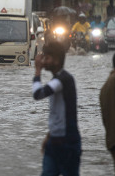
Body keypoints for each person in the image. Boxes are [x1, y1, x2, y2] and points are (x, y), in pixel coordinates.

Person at [32, 41, 82, 175]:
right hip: (54, 142)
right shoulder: (58, 80)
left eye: (46, 58)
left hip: (68, 143)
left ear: (57, 60)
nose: (43, 61)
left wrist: (37, 71)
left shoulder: (64, 79)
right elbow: (59, 114)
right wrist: (49, 136)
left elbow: (38, 94)